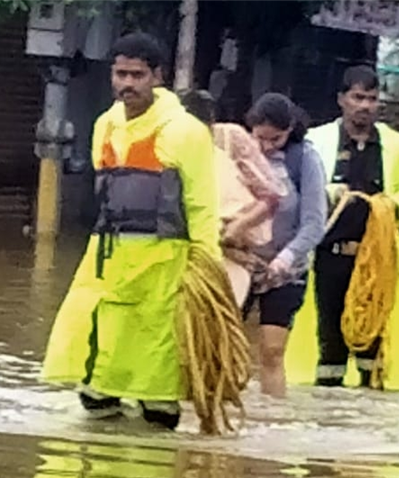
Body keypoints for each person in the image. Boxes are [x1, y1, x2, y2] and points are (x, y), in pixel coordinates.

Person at [41, 33, 220, 430]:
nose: (127, 84)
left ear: (158, 76)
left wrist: (207, 269)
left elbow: (203, 205)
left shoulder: (186, 132)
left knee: (157, 391)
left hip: (163, 267)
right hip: (105, 263)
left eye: (136, 75)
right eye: (120, 74)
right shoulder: (104, 125)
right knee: (95, 382)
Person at [286, 66, 399, 391]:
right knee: (329, 336)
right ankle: (329, 407)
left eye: (371, 99)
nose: (365, 106)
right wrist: (327, 195)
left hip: (376, 260)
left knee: (374, 337)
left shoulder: (394, 145)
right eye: (358, 97)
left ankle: (372, 395)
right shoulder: (317, 141)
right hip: (328, 257)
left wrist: (389, 207)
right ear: (342, 99)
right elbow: (295, 191)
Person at [241, 93, 327, 397]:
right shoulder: (238, 154)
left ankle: (272, 419)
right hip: (241, 263)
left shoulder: (304, 159)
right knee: (225, 344)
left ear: (290, 130)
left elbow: (315, 223)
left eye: (275, 139)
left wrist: (285, 258)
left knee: (272, 351)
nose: (265, 147)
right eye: (260, 138)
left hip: (286, 270)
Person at [179, 89, 286, 309]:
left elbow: (271, 196)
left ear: (211, 123)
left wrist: (238, 226)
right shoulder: (170, 145)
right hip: (184, 252)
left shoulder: (229, 138)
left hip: (230, 250)